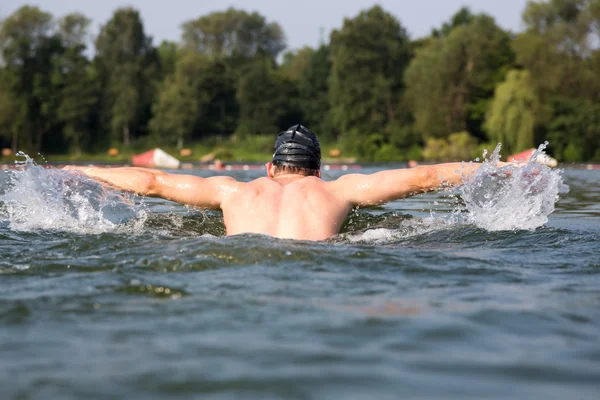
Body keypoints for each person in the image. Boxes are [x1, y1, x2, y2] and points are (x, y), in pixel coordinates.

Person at [64, 125, 508, 241]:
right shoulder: (338, 190)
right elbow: (426, 177)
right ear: (318, 170)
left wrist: (82, 171)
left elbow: (151, 181)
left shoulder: (231, 190)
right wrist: (497, 169)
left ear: (271, 167)